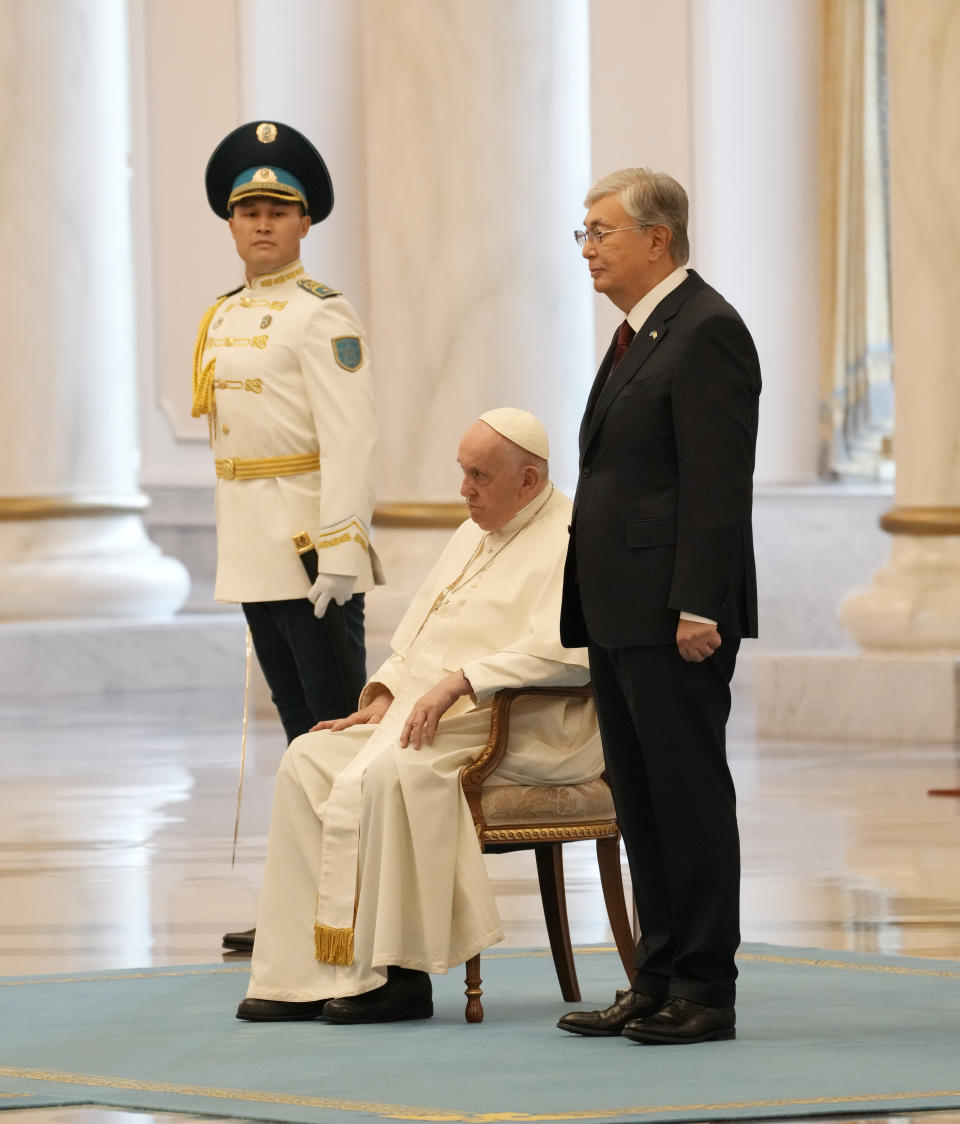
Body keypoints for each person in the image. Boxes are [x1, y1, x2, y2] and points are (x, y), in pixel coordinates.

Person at [235, 409, 603, 1023]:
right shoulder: (473, 531)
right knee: (308, 758)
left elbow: (569, 655)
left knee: (392, 775)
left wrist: (463, 681)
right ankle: (305, 973)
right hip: (438, 719)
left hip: (526, 727)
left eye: (480, 476)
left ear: (530, 481)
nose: (465, 490)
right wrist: (385, 694)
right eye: (463, 472)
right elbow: (420, 639)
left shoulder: (572, 537)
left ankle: (397, 977)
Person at [558, 169, 761, 1045]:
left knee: (688, 801)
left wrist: (696, 605)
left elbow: (718, 488)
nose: (588, 248)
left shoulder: (707, 329)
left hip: (676, 615)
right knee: (641, 803)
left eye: (601, 231)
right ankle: (657, 975)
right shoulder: (638, 336)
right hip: (619, 610)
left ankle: (706, 989)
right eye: (585, 233)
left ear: (658, 239)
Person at [192, 121, 382, 952]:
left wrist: (342, 551)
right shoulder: (224, 316)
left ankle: (359, 906)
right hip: (254, 552)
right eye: (249, 211)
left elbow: (352, 437)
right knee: (299, 735)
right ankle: (301, 903)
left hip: (310, 553)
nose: (263, 223)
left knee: (340, 732)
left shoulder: (321, 316)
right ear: (231, 224)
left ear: (306, 222)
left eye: (280, 209)